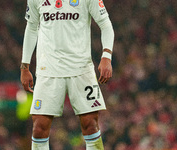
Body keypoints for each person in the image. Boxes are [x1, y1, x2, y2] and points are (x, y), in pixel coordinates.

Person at [20, 0, 114, 149]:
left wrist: (106, 57)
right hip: (48, 70)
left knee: (90, 124)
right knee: (39, 127)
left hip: (81, 69)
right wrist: (24, 67)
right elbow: (31, 28)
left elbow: (106, 24)